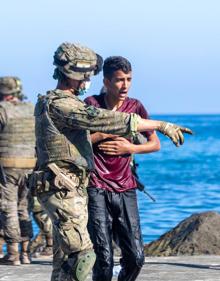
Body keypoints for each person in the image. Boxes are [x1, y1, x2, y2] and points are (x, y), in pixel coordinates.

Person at [33, 42, 192, 281]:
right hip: (70, 191)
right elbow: (105, 121)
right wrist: (160, 125)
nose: (87, 82)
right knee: (84, 258)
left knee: (69, 261)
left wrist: (131, 146)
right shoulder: (63, 105)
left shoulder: (57, 102)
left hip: (76, 188)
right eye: (87, 76)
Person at [84, 55, 160, 281]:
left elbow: (155, 144)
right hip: (95, 187)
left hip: (126, 188)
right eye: (119, 80)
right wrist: (107, 132)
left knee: (136, 258)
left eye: (129, 79)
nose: (125, 85)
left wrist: (130, 147)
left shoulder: (135, 107)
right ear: (106, 82)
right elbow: (79, 142)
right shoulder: (91, 105)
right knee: (104, 258)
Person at [0, 76, 36, 265]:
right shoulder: (31, 108)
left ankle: (13, 253)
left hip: (8, 168)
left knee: (9, 208)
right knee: (24, 209)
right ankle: (26, 253)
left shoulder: (2, 110)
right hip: (30, 165)